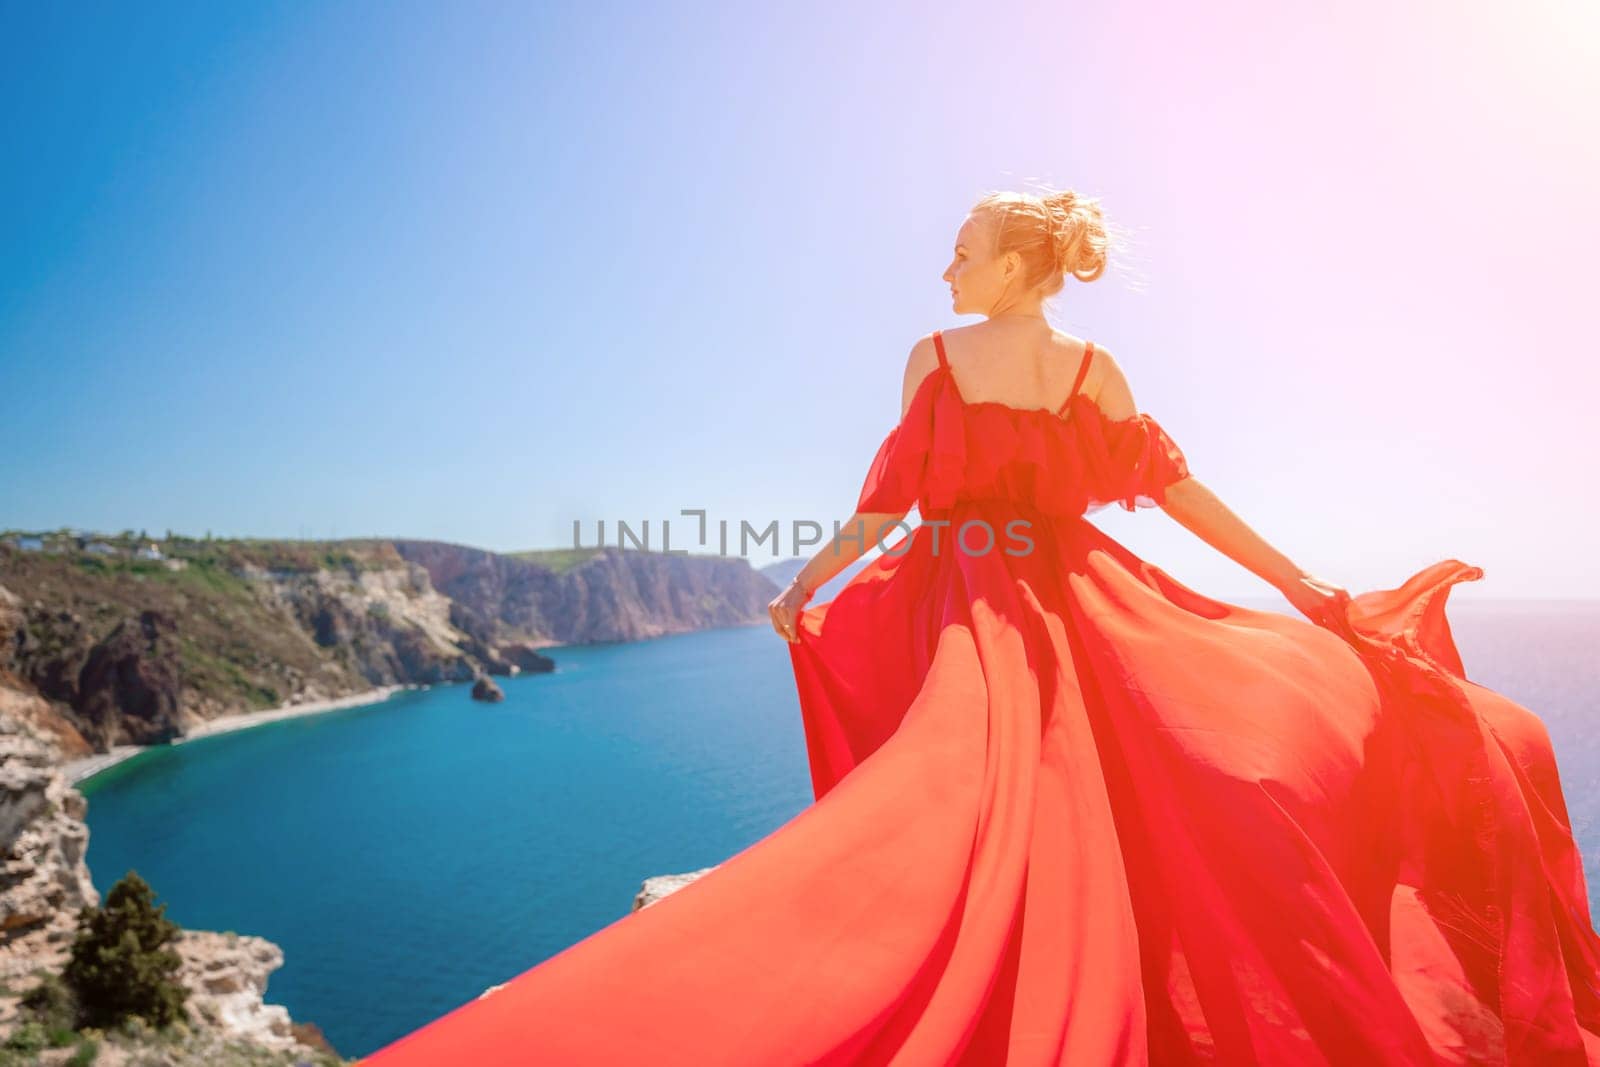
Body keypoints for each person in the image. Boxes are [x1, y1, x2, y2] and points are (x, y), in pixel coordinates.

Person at [360, 190, 1600, 1065]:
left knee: (976, 796)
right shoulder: (1093, 370)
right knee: (1128, 795)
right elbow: (1183, 498)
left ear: (1015, 263)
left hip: (975, 601)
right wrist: (1301, 589)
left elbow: (888, 507)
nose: (944, 267)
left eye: (960, 248)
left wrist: (804, 587)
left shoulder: (938, 359)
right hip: (1083, 594)